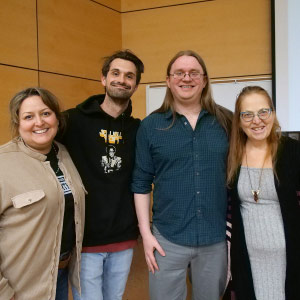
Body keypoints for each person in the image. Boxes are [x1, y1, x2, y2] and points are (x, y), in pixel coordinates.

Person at [132, 50, 232, 300]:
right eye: (179, 73)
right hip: (167, 240)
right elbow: (141, 183)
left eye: (194, 73)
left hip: (215, 239)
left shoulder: (226, 122)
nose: (186, 78)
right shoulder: (151, 126)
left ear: (205, 79)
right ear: (168, 80)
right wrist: (146, 235)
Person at [60, 50, 144, 300]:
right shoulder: (72, 121)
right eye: (115, 73)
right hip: (85, 239)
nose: (122, 80)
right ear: (103, 79)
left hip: (123, 238)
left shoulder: (138, 129)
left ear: (136, 85)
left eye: (129, 76)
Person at [0, 87, 85, 300]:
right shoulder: (3, 163)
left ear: (57, 118)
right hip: (21, 288)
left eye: (46, 113)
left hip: (61, 274)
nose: (39, 122)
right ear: (18, 123)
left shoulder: (64, 154)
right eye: (28, 116)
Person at [227, 86, 300, 300]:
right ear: (239, 121)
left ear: (273, 114)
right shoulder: (232, 156)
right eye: (247, 114)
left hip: (290, 259)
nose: (256, 120)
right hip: (247, 260)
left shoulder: (293, 152)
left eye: (263, 112)